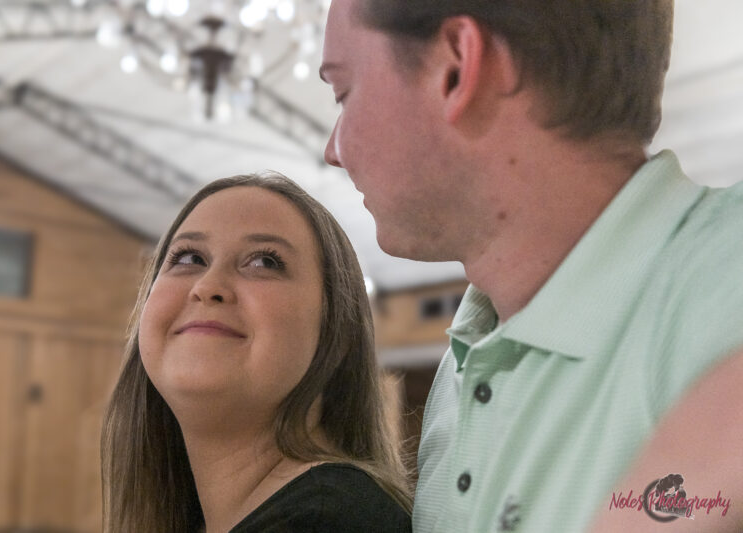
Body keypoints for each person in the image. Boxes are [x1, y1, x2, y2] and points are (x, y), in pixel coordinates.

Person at [321, 0, 743, 532]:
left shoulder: (727, 267)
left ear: (456, 68)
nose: (332, 150)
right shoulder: (462, 366)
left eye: (344, 92)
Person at [101, 173, 412, 533]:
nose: (208, 286)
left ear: (336, 329)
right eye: (189, 257)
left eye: (264, 261)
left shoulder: (335, 519)